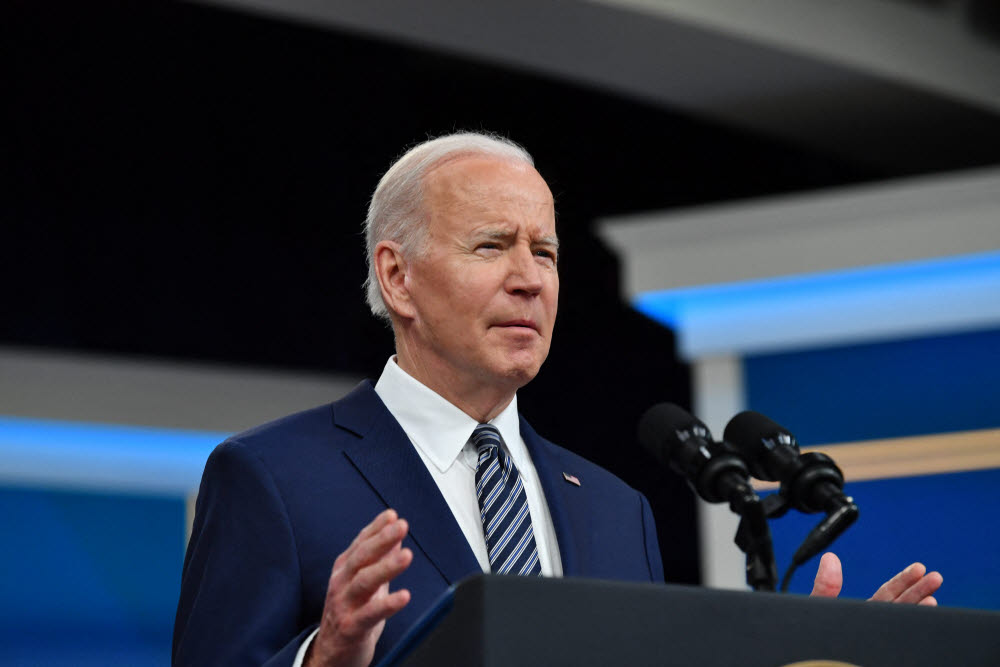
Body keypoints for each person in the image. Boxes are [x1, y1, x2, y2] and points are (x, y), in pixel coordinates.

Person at [172, 132, 942, 667]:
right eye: (491, 245)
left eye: (544, 251)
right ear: (398, 277)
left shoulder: (615, 508)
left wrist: (816, 656)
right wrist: (325, 656)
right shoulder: (273, 476)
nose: (530, 278)